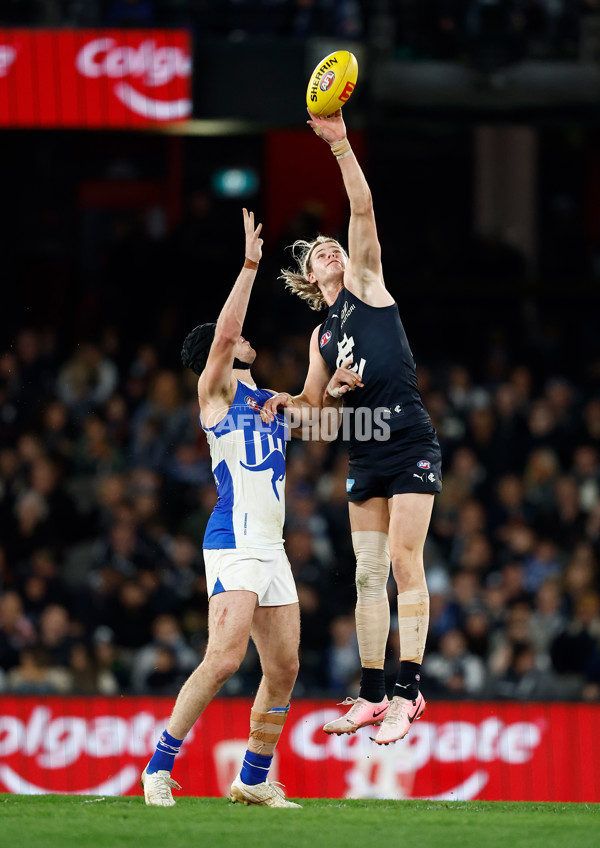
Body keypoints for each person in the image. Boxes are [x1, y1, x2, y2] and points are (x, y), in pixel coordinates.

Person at [263, 109, 442, 745]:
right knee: (368, 574)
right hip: (365, 449)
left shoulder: (367, 284)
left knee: (402, 559)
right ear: (311, 280)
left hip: (409, 438)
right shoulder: (321, 332)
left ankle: (408, 691)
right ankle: (370, 693)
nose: (329, 249)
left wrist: (339, 143)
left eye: (329, 244)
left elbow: (361, 209)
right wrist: (297, 401)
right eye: (317, 253)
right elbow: (314, 407)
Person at [141, 210, 301, 808]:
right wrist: (252, 264)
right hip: (234, 539)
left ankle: (253, 778)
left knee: (283, 666)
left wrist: (325, 385)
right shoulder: (214, 395)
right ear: (218, 352)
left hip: (273, 544)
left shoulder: (265, 397)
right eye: (230, 340)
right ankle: (158, 766)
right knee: (224, 659)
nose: (243, 337)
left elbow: (314, 412)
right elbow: (228, 334)